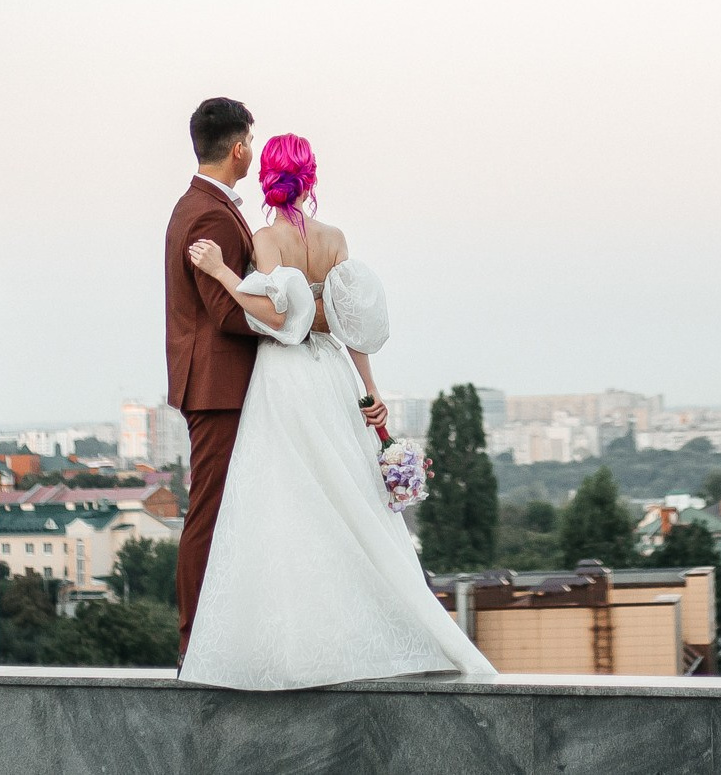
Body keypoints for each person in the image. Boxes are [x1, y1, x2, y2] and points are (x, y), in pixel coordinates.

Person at [175, 130, 494, 688]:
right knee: (352, 501)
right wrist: (370, 395)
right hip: (334, 376)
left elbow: (276, 317)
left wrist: (222, 271)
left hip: (286, 376)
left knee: (288, 505)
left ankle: (292, 647)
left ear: (268, 176)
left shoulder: (263, 239)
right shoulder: (336, 239)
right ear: (311, 177)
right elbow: (351, 328)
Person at [163, 97, 265, 656]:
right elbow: (226, 311)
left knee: (221, 507)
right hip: (217, 385)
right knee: (210, 509)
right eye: (251, 139)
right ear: (239, 147)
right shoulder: (210, 213)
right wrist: (288, 324)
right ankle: (195, 638)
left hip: (213, 382)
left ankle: (212, 630)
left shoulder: (199, 204)